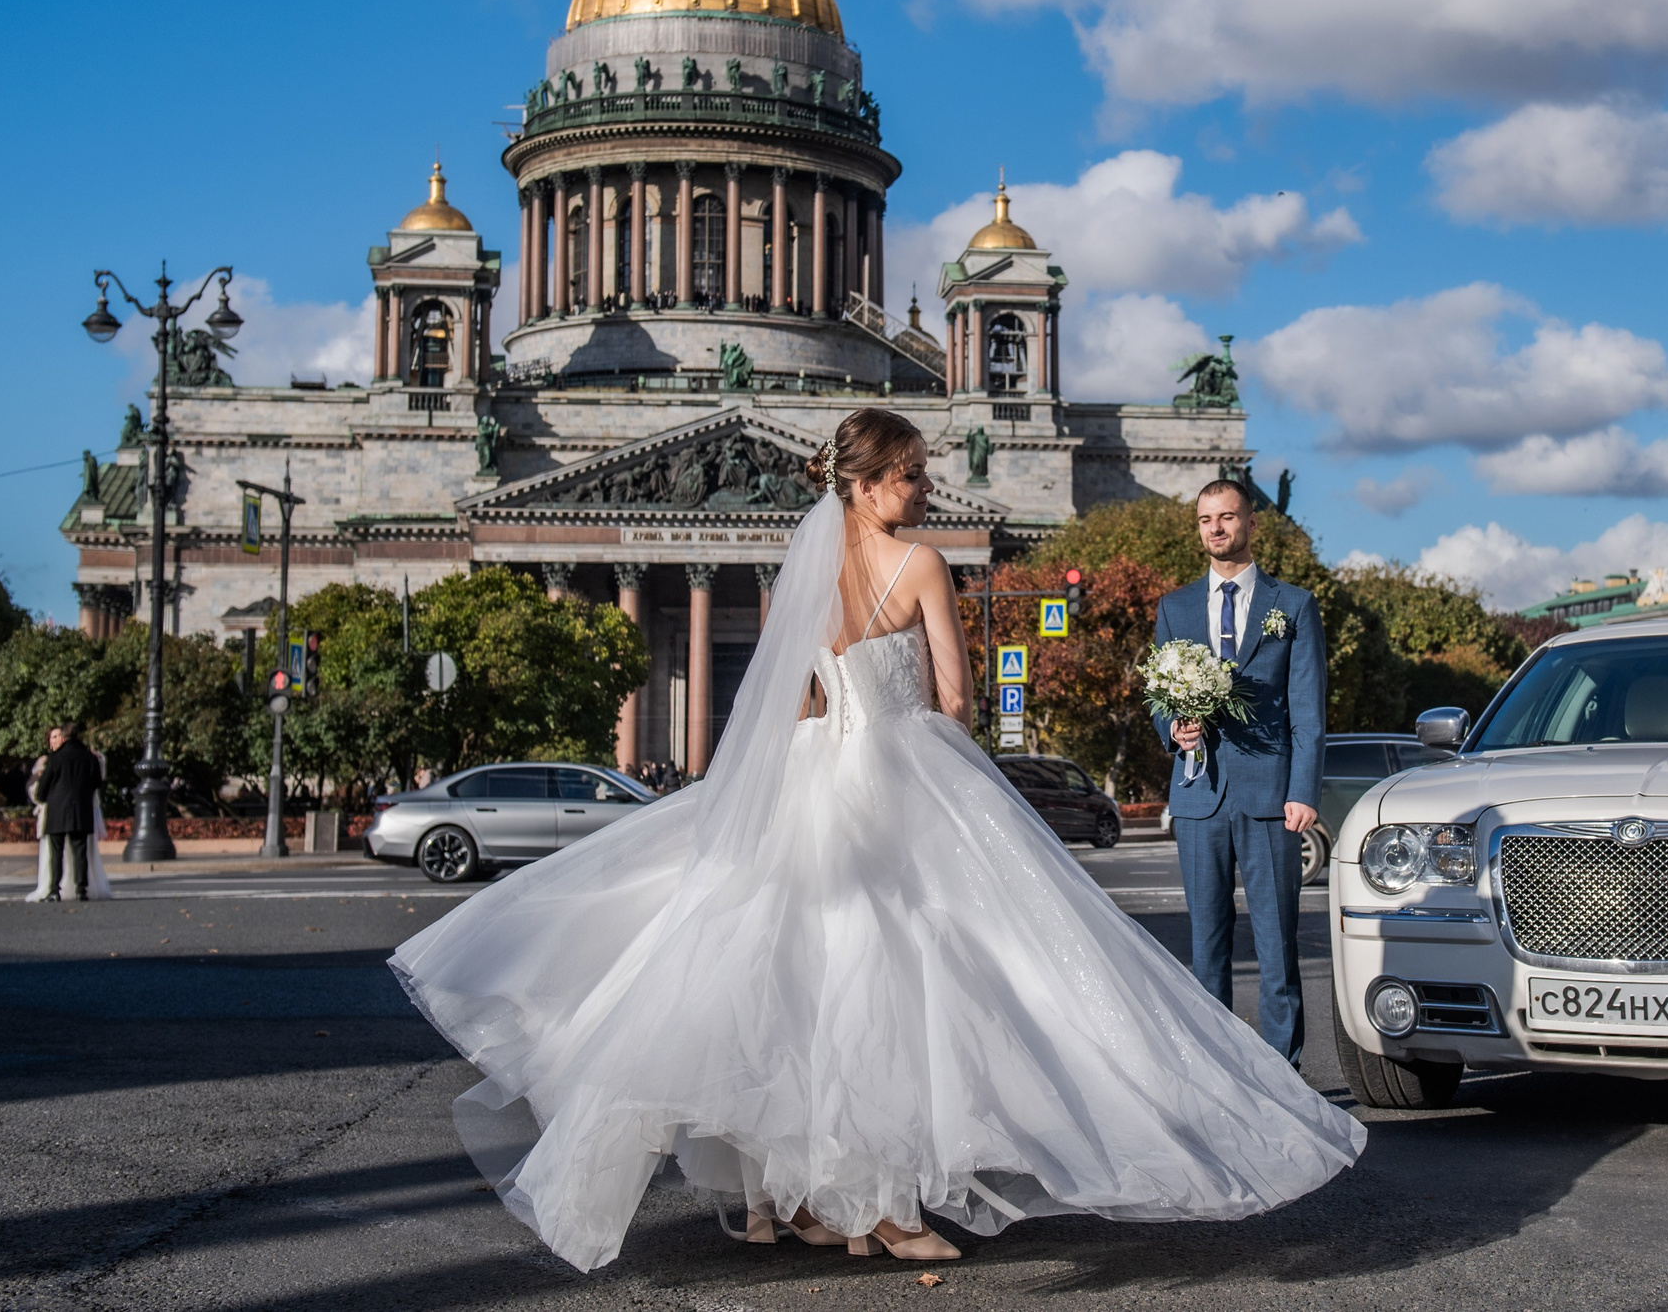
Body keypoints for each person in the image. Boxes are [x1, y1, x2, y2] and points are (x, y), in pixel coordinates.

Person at [392, 409, 1362, 1273]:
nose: (926, 486)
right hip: (908, 772)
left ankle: (818, 1199)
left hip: (819, 770)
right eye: (911, 473)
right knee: (932, 984)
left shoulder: (806, 572)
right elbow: (952, 698)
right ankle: (883, 1206)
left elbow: (794, 694)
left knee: (810, 988)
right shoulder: (926, 564)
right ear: (865, 482)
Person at [1152, 480, 1326, 1064]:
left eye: (1227, 517)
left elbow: (1307, 710)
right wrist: (1173, 730)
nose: (1216, 529)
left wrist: (1302, 791)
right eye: (1206, 520)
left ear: (1252, 524)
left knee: (1276, 945)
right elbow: (1158, 698)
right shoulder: (1174, 608)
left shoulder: (1293, 605)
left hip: (1270, 798)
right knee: (1207, 948)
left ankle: (1283, 1073)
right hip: (1199, 795)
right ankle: (1218, 1074)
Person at [30, 726, 108, 903]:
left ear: (64, 738)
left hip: (57, 810)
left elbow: (42, 789)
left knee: (56, 852)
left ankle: (54, 890)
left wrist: (45, 797)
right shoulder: (89, 758)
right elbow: (97, 782)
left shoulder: (55, 759)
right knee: (80, 851)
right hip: (81, 809)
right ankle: (81, 889)